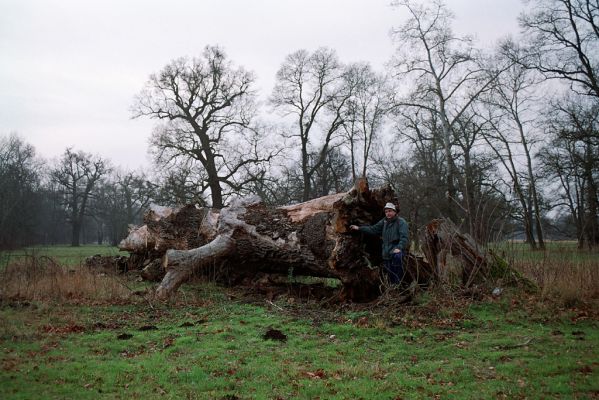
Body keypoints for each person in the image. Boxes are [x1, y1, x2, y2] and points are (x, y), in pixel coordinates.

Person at [349, 202, 409, 285]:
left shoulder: (401, 222)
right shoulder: (384, 222)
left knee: (397, 269)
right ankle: (392, 289)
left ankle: (399, 287)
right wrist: (359, 228)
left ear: (395, 212)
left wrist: (399, 248)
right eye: (386, 211)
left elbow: (404, 238)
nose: (388, 213)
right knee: (389, 272)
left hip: (396, 250)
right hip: (386, 251)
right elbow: (373, 229)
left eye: (390, 211)